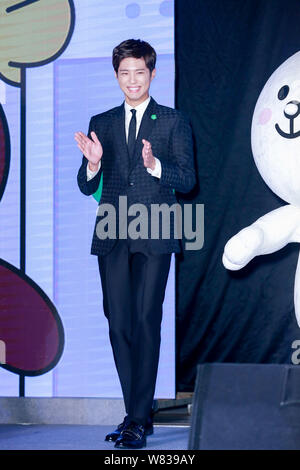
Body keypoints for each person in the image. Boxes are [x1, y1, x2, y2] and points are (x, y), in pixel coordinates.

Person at [75, 39, 195, 449]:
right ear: (116, 76)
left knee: (146, 322)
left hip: (156, 232)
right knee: (119, 324)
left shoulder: (173, 121)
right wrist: (92, 163)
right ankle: (137, 416)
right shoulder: (102, 121)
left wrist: (155, 165)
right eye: (124, 73)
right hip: (112, 236)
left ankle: (137, 420)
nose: (132, 80)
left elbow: (187, 179)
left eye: (139, 72)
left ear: (152, 73)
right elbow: (84, 184)